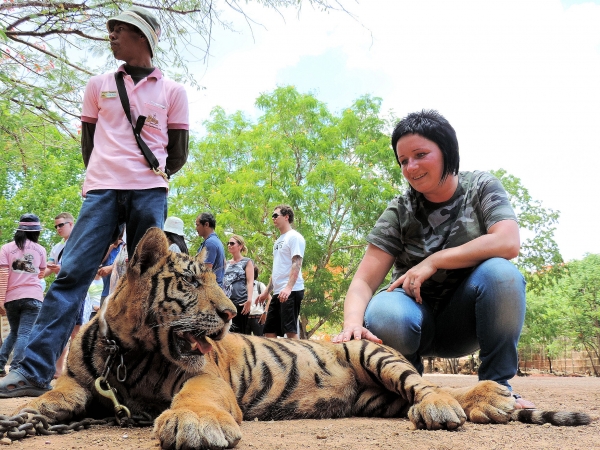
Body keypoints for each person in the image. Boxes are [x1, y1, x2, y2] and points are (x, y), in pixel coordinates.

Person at [0, 6, 189, 398]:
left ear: (144, 37)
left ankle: (144, 378)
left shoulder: (173, 92)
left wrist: (146, 176)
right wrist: (104, 175)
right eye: (112, 29)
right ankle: (33, 372)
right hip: (101, 192)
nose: (113, 35)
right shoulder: (97, 85)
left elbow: (178, 152)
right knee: (71, 275)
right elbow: (89, 143)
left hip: (149, 193)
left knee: (148, 283)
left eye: (121, 29)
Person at [331, 110, 534, 409]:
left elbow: (507, 241)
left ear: (447, 151)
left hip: (467, 321)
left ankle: (497, 389)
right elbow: (363, 280)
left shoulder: (480, 187)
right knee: (384, 309)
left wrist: (434, 260)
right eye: (403, 161)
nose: (411, 167)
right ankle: (410, 390)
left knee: (502, 273)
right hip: (411, 319)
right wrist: (351, 323)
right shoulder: (400, 210)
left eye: (420, 154)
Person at [0, 214, 46, 377]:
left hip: (12, 298)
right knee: (24, 333)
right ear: (36, 232)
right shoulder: (40, 250)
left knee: (14, 332)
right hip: (33, 296)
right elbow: (40, 274)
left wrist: (1, 300)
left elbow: (3, 275)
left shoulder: (6, 248)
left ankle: (0, 364)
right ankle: (16, 368)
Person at [257, 205, 305, 339]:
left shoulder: (294, 237)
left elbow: (297, 263)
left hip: (291, 291)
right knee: (269, 331)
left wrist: (288, 288)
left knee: (290, 332)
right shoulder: (278, 241)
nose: (273, 218)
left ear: (286, 217)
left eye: (275, 215)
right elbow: (277, 269)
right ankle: (274, 360)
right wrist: (266, 291)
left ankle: (297, 360)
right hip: (278, 292)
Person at [223, 235, 254, 334]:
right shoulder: (226, 263)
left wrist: (249, 299)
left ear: (240, 246)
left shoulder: (247, 262)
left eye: (232, 243)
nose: (229, 245)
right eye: (228, 243)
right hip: (227, 303)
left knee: (240, 333)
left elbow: (250, 282)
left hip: (241, 302)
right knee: (227, 333)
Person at [195, 213, 225, 288]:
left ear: (206, 225)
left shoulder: (210, 243)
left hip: (210, 290)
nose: (196, 228)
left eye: (197, 225)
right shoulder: (215, 241)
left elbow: (206, 271)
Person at [245, 265, 271, 336]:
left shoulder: (260, 285)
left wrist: (265, 313)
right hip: (245, 319)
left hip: (258, 319)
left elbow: (270, 299)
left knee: (261, 342)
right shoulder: (243, 286)